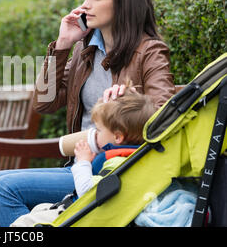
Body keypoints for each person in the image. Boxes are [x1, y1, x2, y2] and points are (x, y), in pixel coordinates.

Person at [0, 0, 175, 227]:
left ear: (123, 3)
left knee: (3, 188)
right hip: (81, 164)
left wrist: (130, 102)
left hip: (116, 170)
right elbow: (44, 103)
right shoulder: (84, 50)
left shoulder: (149, 52)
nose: (86, 5)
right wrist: (63, 45)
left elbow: (165, 119)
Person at [10, 89, 156, 227]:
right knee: (39, 209)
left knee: (21, 223)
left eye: (99, 130)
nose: (95, 134)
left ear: (117, 136)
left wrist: (83, 162)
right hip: (74, 210)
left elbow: (88, 192)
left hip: (79, 216)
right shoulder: (134, 159)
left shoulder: (117, 163)